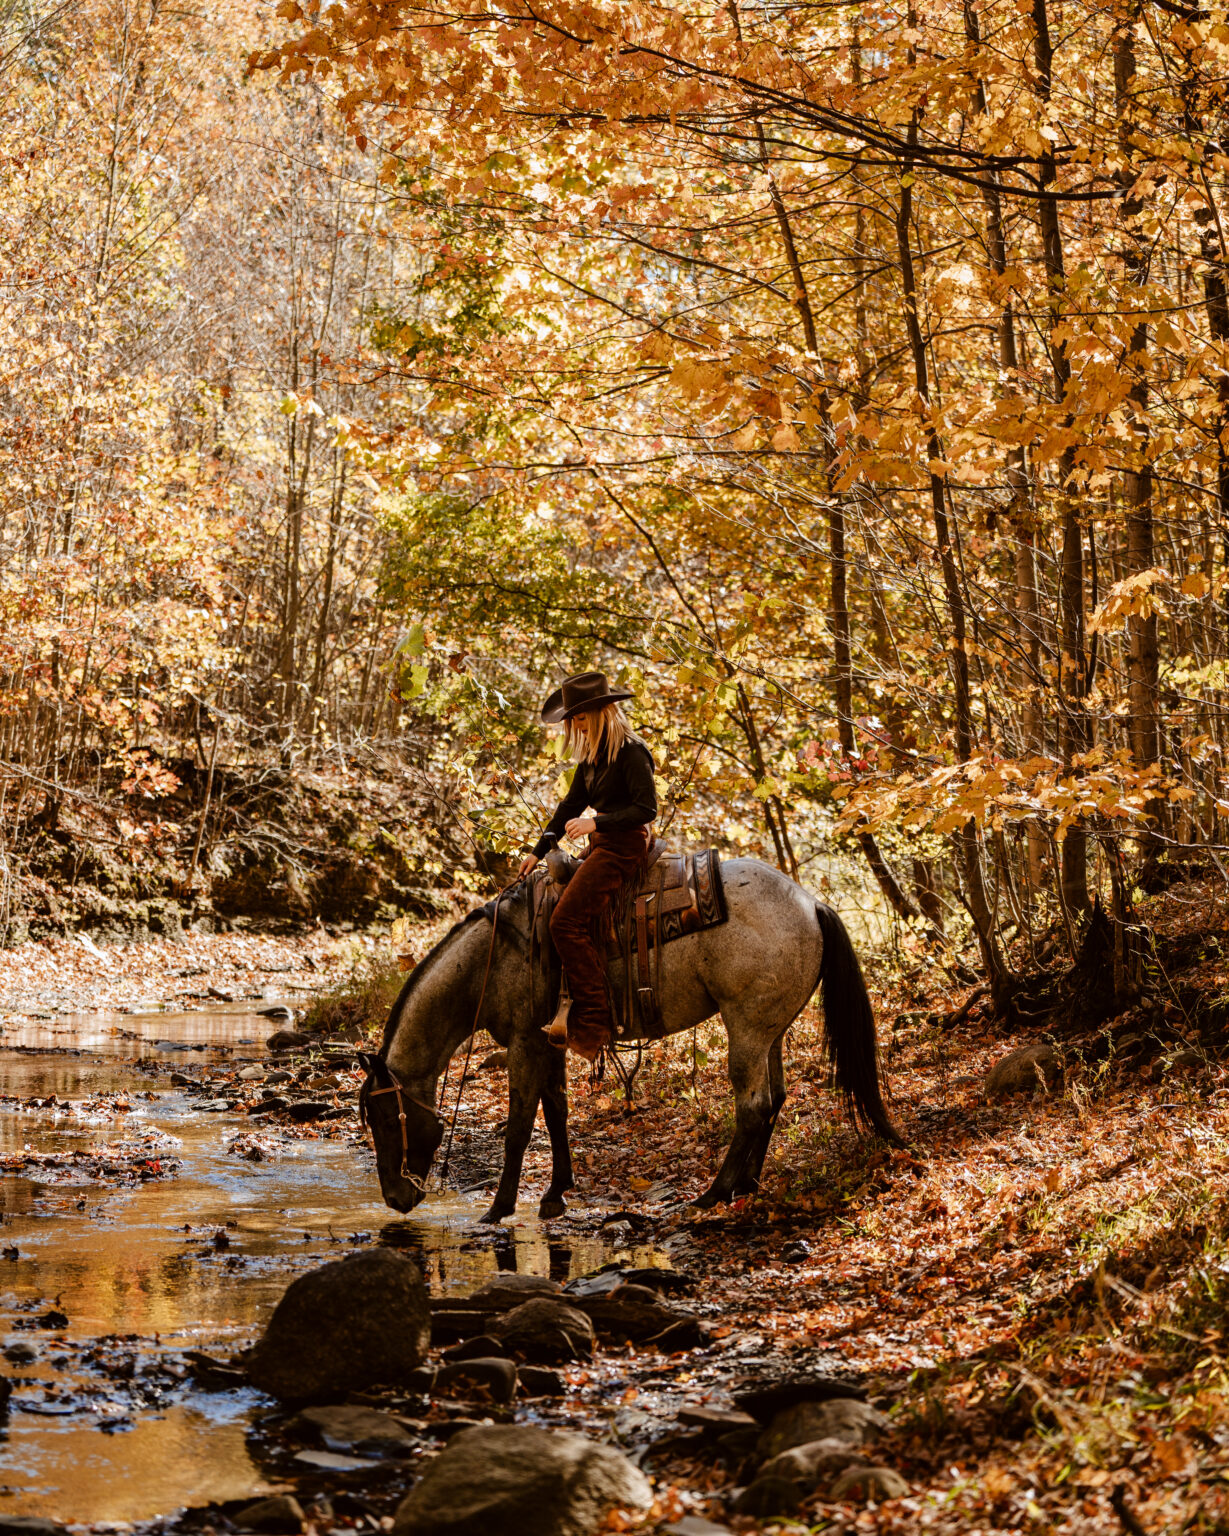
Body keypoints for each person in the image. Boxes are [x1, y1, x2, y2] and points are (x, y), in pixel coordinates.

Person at [517, 671, 657, 1060]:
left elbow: (646, 808)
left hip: (624, 846)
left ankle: (595, 1020)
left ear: (601, 712)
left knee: (564, 922)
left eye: (580, 716)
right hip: (601, 844)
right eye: (572, 718)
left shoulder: (631, 752)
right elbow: (568, 809)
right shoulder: (593, 759)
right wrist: (537, 850)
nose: (574, 724)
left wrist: (597, 823)